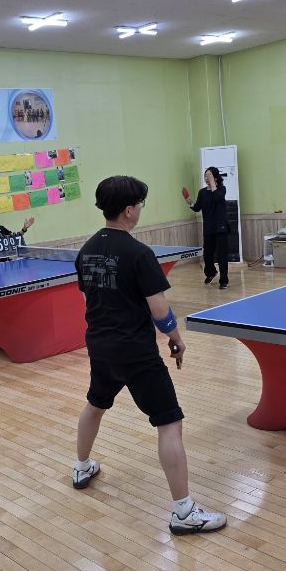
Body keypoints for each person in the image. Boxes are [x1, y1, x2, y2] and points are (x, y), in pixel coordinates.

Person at [72, 175, 227, 535]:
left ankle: (81, 466)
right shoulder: (139, 254)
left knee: (95, 404)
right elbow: (160, 311)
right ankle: (183, 512)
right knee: (169, 421)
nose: (141, 208)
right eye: (140, 204)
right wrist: (176, 338)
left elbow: (90, 298)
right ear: (129, 210)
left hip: (100, 345)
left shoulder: (86, 250)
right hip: (135, 352)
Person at [185, 166, 230, 289]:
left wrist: (213, 184)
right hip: (208, 227)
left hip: (221, 228)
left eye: (209, 175)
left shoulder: (221, 189)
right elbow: (197, 208)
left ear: (215, 178)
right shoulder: (202, 192)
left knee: (222, 255)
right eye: (205, 175)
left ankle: (224, 280)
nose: (206, 178)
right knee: (207, 254)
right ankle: (211, 272)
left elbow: (217, 197)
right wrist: (189, 202)